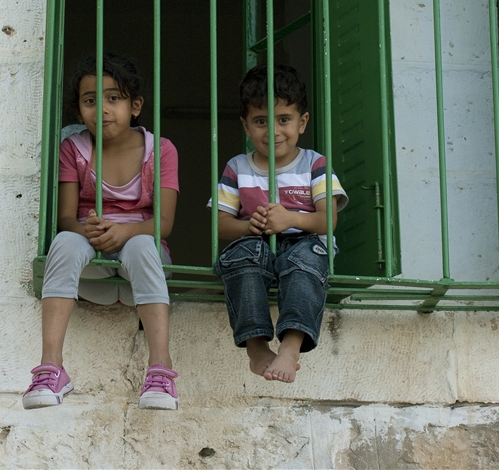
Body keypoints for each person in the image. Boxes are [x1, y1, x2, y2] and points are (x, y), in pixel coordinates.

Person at [23, 53, 180, 410]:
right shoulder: (74, 149)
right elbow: (65, 218)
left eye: (114, 98)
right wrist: (87, 230)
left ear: (135, 106)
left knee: (142, 244)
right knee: (63, 241)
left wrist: (124, 234)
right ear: (79, 112)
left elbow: (165, 223)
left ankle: (160, 368)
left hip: (143, 267)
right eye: (91, 101)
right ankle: (51, 368)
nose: (103, 109)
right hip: (93, 276)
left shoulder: (160, 151)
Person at [210, 64, 347, 384]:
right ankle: (256, 347)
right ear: (246, 126)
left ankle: (291, 345)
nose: (272, 131)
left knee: (305, 263)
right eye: (260, 121)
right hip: (255, 243)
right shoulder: (237, 166)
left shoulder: (315, 164)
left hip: (305, 242)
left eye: (283, 119)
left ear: (302, 122)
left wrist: (290, 220)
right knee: (242, 259)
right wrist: (248, 227)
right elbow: (221, 225)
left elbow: (329, 220)